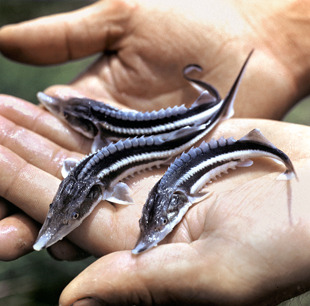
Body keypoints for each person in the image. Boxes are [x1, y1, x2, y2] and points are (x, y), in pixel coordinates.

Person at [0, 0, 310, 304]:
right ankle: (217, 109)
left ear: (103, 191)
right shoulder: (89, 170)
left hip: (173, 147)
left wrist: (272, 33)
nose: (65, 220)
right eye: (63, 208)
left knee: (196, 130)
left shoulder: (109, 179)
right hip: (166, 146)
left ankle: (217, 110)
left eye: (77, 214)